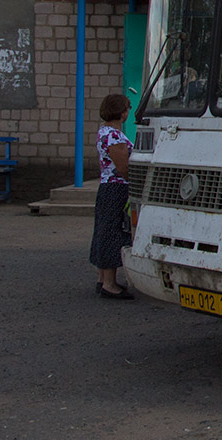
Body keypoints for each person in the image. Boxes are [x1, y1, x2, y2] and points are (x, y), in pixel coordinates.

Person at [89, 93, 134, 300]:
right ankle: (109, 284)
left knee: (103, 230)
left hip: (107, 187)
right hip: (117, 188)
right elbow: (123, 166)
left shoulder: (103, 132)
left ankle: (102, 279)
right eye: (127, 108)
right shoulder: (115, 136)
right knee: (113, 232)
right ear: (121, 112)